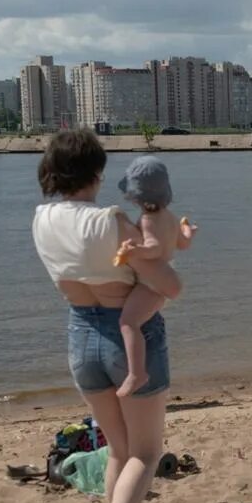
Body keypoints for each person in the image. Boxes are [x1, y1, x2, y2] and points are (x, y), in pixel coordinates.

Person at [30, 131, 182, 503]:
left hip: (80, 334)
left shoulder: (41, 218)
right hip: (126, 334)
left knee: (117, 449)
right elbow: (168, 283)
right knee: (147, 452)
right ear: (96, 173)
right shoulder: (111, 220)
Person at [110, 157, 196, 398]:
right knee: (139, 321)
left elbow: (154, 249)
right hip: (164, 277)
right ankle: (140, 370)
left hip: (152, 284)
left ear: (137, 195)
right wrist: (189, 231)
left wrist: (132, 251)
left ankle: (137, 373)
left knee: (128, 323)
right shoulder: (169, 215)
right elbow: (183, 244)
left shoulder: (148, 219)